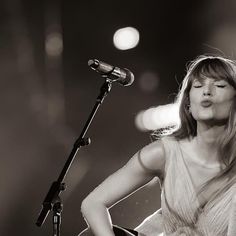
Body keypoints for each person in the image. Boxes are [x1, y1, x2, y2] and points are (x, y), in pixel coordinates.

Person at [79, 54, 236, 236]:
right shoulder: (163, 153)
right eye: (199, 86)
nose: (207, 91)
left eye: (220, 85)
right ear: (188, 104)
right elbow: (93, 203)